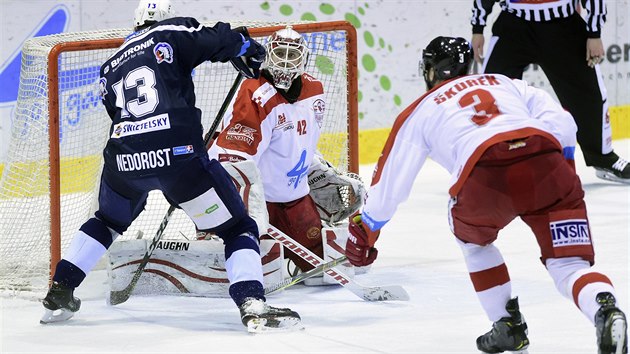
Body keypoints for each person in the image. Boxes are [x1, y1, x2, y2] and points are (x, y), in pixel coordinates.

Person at [345, 36, 627, 353]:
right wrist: (562, 173)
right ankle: (605, 308)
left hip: (486, 174)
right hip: (546, 165)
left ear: (430, 71)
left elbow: (391, 182)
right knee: (570, 266)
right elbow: (561, 121)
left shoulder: (421, 109)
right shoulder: (505, 82)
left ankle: (507, 324)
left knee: (473, 241)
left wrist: (367, 228)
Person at [40, 0, 301, 331]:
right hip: (178, 158)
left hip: (123, 160)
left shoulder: (109, 65)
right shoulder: (169, 31)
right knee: (237, 228)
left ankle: (61, 289)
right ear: (163, 18)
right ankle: (252, 302)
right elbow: (214, 37)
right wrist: (245, 46)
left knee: (106, 220)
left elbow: (117, 113)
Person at [207, 26, 364, 281]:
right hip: (261, 206)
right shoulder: (255, 94)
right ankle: (213, 234)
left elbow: (298, 142)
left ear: (304, 60)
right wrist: (248, 206)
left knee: (326, 272)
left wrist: (313, 167)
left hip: (297, 201)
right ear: (268, 55)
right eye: (280, 53)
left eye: (293, 56)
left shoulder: (315, 91)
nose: (286, 61)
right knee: (256, 272)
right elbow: (233, 159)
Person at [470, 0, 630, 184]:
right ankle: (485, 159)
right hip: (513, 26)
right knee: (492, 93)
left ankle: (603, 158)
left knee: (587, 94)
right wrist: (477, 28)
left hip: (564, 27)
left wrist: (594, 33)